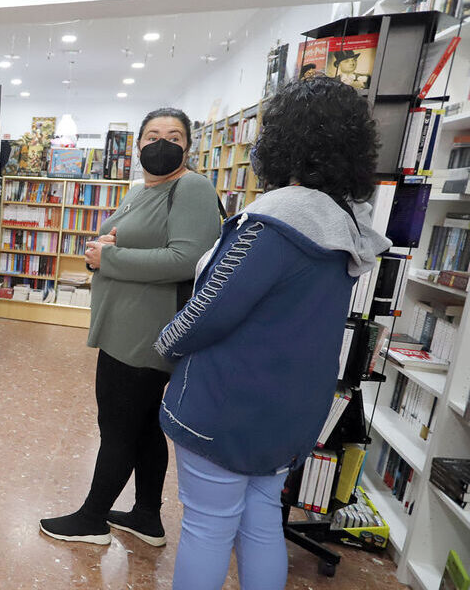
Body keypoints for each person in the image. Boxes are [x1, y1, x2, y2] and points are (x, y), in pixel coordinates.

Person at [154, 76, 389, 590]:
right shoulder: (342, 225)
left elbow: (209, 310)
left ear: (282, 141)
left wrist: (166, 343)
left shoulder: (274, 222)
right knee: (259, 519)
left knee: (207, 527)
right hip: (291, 409)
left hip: (228, 406)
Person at [39, 108, 222, 546]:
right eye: (153, 135)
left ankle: (93, 518)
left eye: (174, 136)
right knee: (140, 425)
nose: (163, 143)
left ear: (188, 147)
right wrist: (102, 248)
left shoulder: (192, 187)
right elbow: (137, 239)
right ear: (138, 144)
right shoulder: (144, 190)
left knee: (118, 425)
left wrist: (111, 258)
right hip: (127, 326)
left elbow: (186, 259)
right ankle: (146, 516)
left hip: (146, 333)